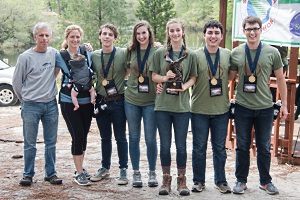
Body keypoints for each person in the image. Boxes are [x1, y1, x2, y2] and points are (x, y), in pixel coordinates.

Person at [229, 16, 288, 195]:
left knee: (263, 147)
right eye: (248, 29)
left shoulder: (272, 52)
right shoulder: (237, 53)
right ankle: (241, 181)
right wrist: (226, 97)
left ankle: (265, 181)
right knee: (242, 146)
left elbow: (280, 79)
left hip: (265, 108)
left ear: (261, 30)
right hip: (242, 107)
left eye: (255, 28)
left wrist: (284, 104)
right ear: (244, 31)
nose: (252, 32)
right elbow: (229, 79)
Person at [150, 18, 197, 196]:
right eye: (172, 31)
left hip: (182, 107)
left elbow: (194, 76)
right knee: (164, 145)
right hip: (162, 106)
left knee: (181, 146)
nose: (175, 34)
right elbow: (153, 75)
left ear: (183, 32)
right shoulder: (159, 53)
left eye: (178, 30)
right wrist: (165, 77)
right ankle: (166, 179)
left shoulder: (190, 55)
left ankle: (182, 180)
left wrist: (185, 86)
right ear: (168, 33)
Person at [12, 22, 62, 186]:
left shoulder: (54, 54)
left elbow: (59, 68)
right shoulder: (25, 57)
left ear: (50, 37)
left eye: (47, 35)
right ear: (35, 37)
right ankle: (28, 174)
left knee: (51, 142)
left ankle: (51, 174)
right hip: (31, 105)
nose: (44, 38)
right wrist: (26, 99)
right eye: (41, 35)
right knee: (30, 143)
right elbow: (16, 83)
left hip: (51, 105)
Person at [191, 20, 231, 194]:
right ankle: (198, 181)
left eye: (216, 33)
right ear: (204, 35)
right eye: (210, 32)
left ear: (222, 37)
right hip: (199, 109)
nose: (213, 36)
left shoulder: (228, 55)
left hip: (221, 110)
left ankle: (220, 181)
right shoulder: (194, 55)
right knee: (199, 148)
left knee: (219, 148)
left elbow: (232, 76)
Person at [90, 23, 129, 185]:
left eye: (110, 35)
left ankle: (123, 170)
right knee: (105, 137)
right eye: (104, 34)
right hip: (101, 101)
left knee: (120, 137)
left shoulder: (123, 53)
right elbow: (88, 74)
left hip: (119, 101)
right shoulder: (93, 55)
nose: (107, 37)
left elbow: (137, 58)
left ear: (115, 38)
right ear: (99, 36)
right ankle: (105, 168)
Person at [56, 25, 94, 186]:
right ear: (67, 38)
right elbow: (52, 75)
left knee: (83, 136)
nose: (75, 40)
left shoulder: (87, 52)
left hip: (87, 100)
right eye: (72, 37)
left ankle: (80, 167)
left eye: (78, 37)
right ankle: (79, 173)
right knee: (77, 135)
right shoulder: (60, 56)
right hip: (68, 100)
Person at [125, 21, 158, 187]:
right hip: (131, 100)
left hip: (151, 101)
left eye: (144, 33)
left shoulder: (157, 50)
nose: (141, 36)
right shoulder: (130, 51)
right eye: (138, 34)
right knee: (134, 137)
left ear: (149, 33)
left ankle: (152, 172)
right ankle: (136, 173)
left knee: (151, 139)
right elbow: (126, 71)